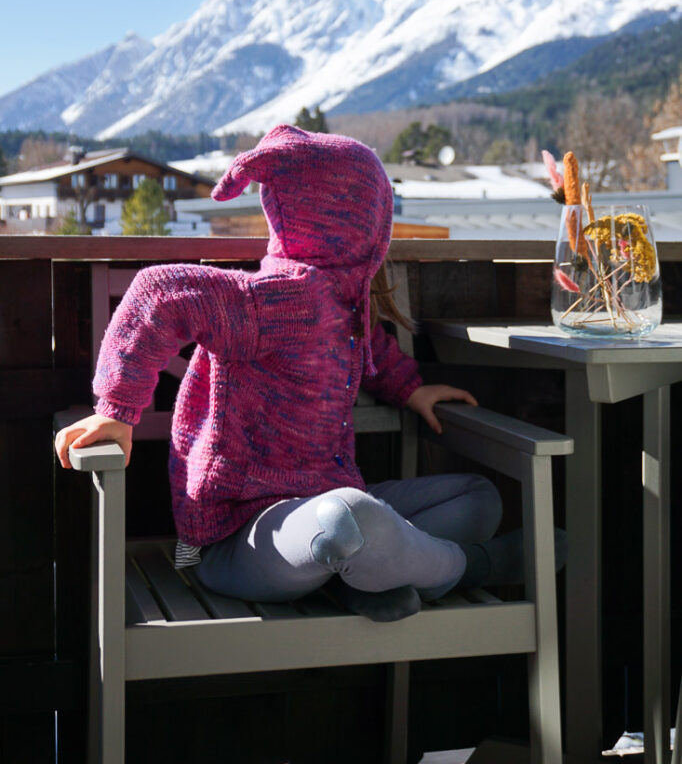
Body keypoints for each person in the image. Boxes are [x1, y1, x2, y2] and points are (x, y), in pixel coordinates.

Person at [55, 124, 523, 622]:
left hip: (325, 510)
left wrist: (412, 389)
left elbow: (371, 352)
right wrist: (118, 411)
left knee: (478, 499)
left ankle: (363, 576)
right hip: (238, 538)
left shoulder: (344, 302)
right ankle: (467, 566)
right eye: (375, 207)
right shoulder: (276, 297)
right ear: (356, 219)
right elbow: (158, 292)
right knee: (350, 517)